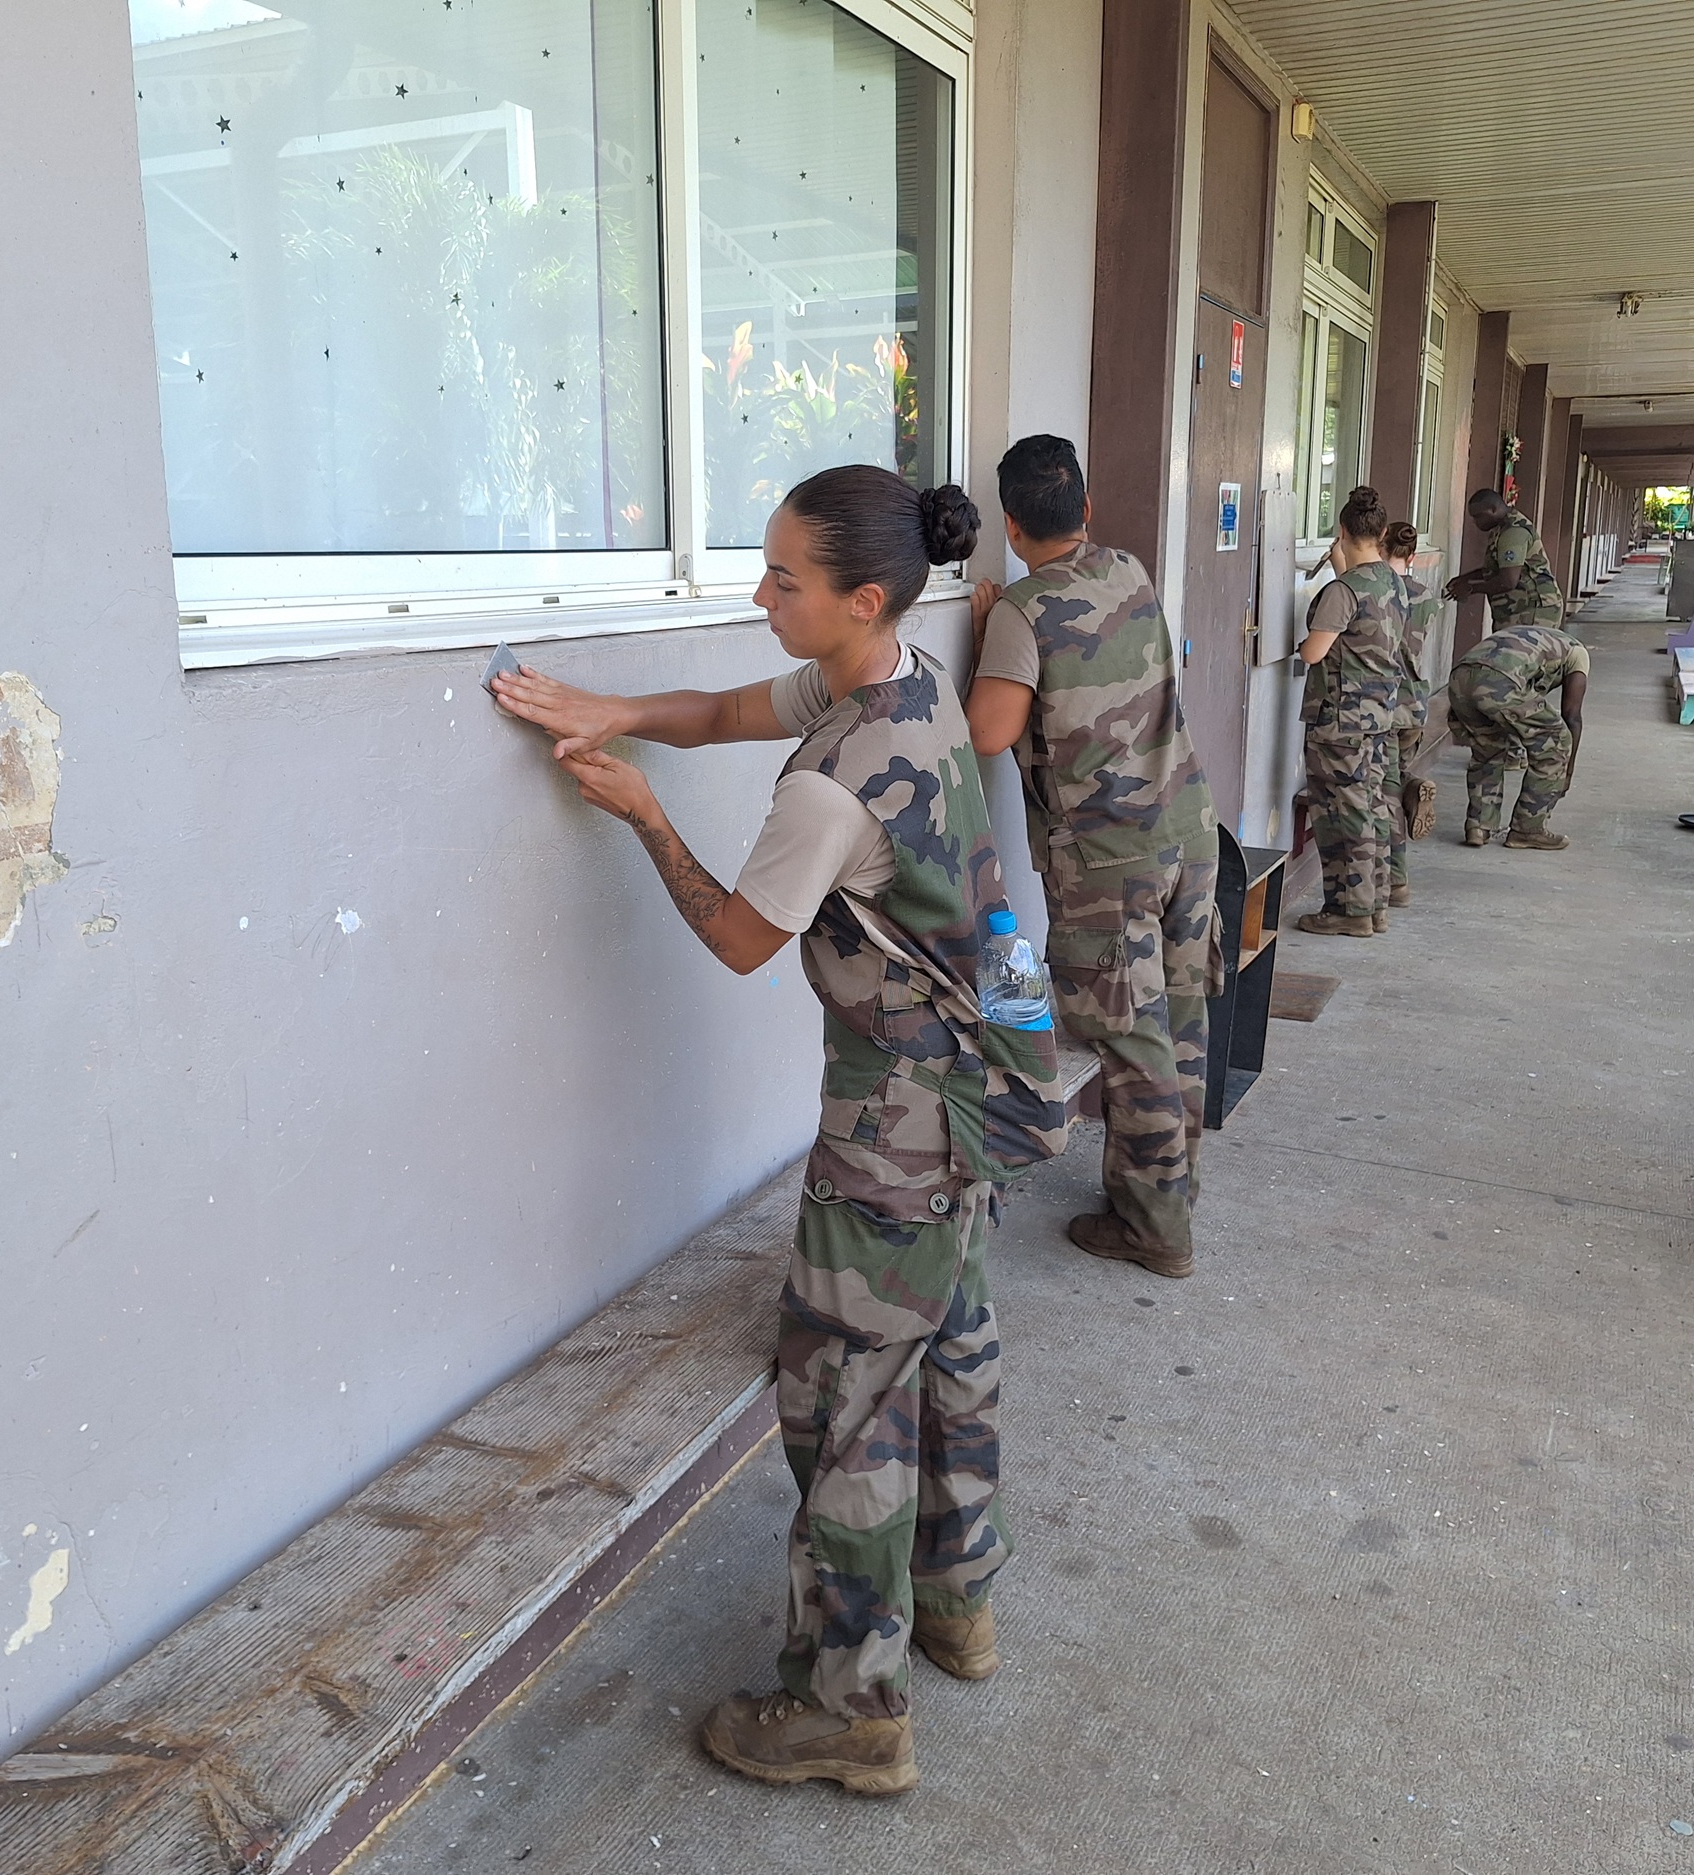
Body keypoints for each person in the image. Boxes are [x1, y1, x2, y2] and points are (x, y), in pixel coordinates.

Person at [491, 466, 1063, 1797]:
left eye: (781, 580)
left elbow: (743, 938)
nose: (758, 595)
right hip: (989, 1064)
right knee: (953, 1331)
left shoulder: (837, 788)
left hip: (904, 1114)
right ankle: (958, 1602)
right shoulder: (900, 673)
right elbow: (729, 708)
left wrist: (641, 814)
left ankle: (848, 1707)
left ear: (859, 595)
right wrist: (622, 709)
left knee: (848, 1400)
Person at [960, 433, 1219, 1281]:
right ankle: (1175, 1181)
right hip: (1188, 830)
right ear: (1087, 510)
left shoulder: (1021, 612)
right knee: (1179, 1015)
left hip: (1111, 860)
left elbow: (988, 735)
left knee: (1130, 1037)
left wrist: (991, 634)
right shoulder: (1132, 569)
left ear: (1010, 522)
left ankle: (1155, 1228)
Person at [1295, 486, 1405, 938]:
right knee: (1372, 808)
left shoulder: (1342, 592)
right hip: (1377, 717)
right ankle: (1374, 904)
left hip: (1340, 722)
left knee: (1344, 816)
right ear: (1380, 534)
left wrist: (1303, 640)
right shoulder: (1392, 580)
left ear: (1341, 531)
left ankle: (1349, 911)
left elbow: (1313, 654)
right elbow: (1359, 596)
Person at [1446, 620, 1588, 850]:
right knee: (1556, 741)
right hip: (1501, 681)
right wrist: (1567, 771)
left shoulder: (1537, 638)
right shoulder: (1577, 653)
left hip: (1460, 679)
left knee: (1487, 751)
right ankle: (1527, 829)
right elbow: (1572, 716)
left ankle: (1478, 826)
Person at [1381, 520, 1438, 907]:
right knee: (1395, 782)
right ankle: (1411, 787)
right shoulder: (1425, 596)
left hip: (1383, 706)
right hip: (1415, 704)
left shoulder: (1378, 593)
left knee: (1383, 795)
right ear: (1413, 556)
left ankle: (1396, 880)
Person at [1444, 487, 1563, 631]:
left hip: (1532, 611)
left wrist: (1470, 588)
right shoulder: (1501, 528)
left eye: (1478, 516)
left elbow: (1508, 581)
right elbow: (1495, 569)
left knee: (1516, 653)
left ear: (1493, 509)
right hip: (1519, 609)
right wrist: (1465, 578)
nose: (1475, 522)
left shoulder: (1513, 532)